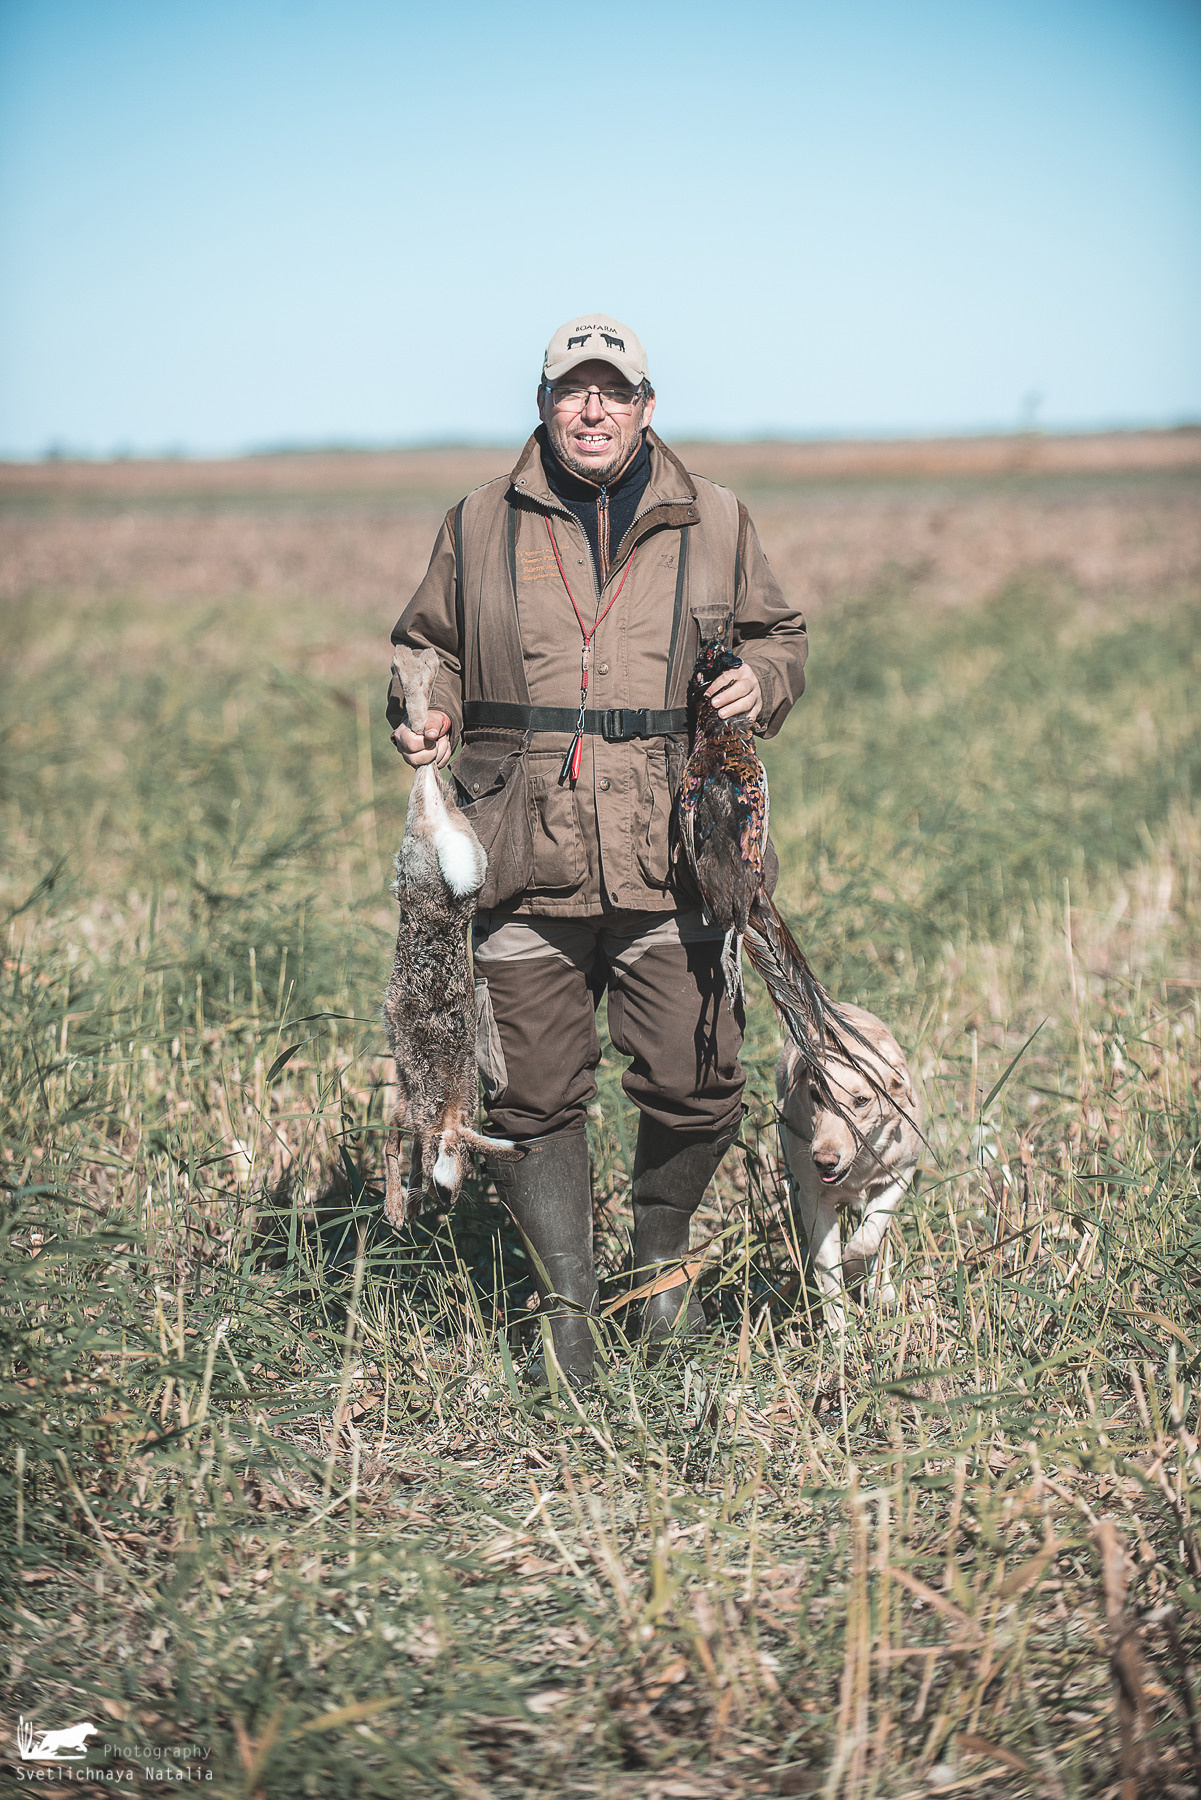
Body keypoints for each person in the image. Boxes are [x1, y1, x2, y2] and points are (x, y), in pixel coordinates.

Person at [388, 314, 807, 1386]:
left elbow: (779, 637)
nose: (591, 408)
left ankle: (655, 1274)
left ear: (645, 406)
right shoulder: (479, 521)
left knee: (698, 1080)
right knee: (530, 1094)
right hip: (518, 849)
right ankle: (564, 1310)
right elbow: (425, 646)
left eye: (612, 391)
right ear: (542, 405)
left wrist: (761, 681)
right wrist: (422, 706)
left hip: (678, 851)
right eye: (572, 389)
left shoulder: (715, 517)